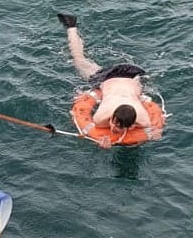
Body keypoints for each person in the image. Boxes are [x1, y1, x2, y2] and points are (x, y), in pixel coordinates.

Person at [58, 12, 162, 147]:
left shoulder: (143, 120)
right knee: (79, 60)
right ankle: (71, 26)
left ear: (130, 127)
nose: (113, 128)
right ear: (111, 118)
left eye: (117, 128)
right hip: (110, 77)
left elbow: (149, 132)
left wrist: (153, 135)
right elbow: (96, 128)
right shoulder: (101, 118)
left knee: (82, 60)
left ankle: (72, 27)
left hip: (133, 74)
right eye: (113, 123)